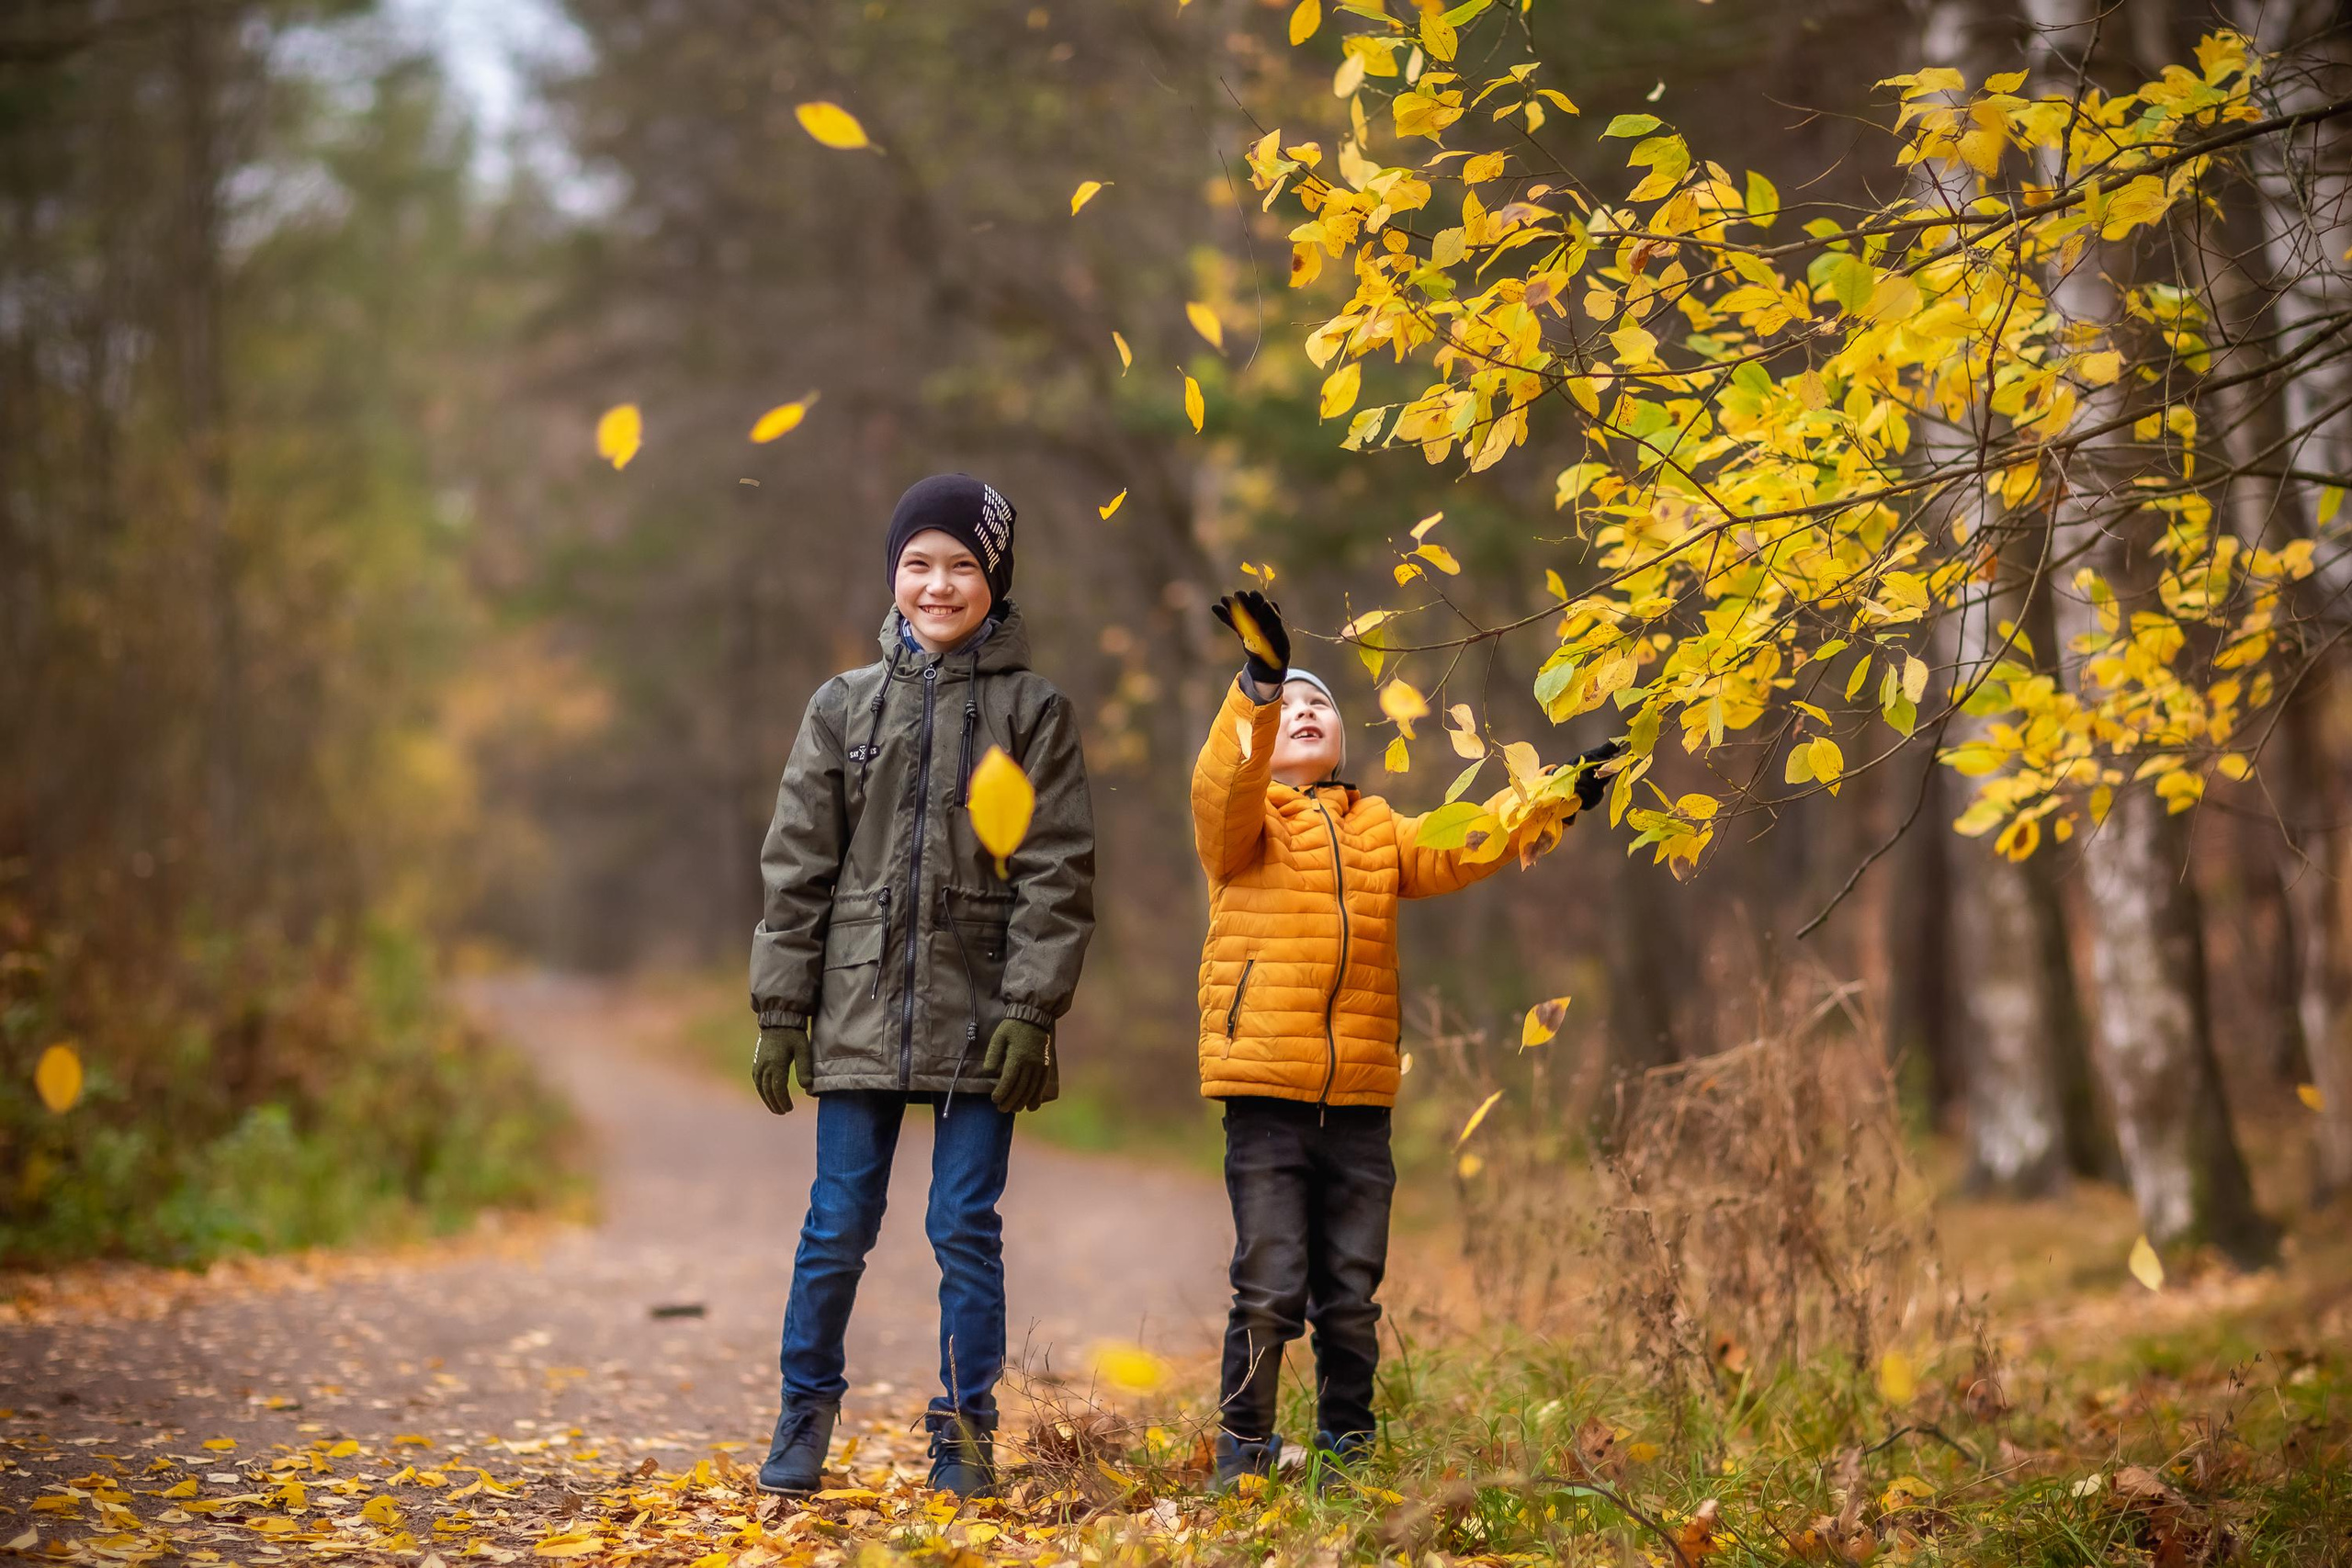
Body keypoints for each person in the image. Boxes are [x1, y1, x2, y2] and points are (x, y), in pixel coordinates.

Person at [1192, 588, 1618, 1490]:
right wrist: (1257, 688)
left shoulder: (1380, 829)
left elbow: (1466, 842)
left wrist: (1555, 797)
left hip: (1357, 1105)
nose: (1305, 711)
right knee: (1270, 1286)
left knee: (1348, 1294)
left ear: (1345, 739)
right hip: (1266, 1097)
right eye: (1291, 705)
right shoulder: (1244, 827)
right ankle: (1243, 1451)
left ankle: (1347, 1451)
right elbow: (1219, 782)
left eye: (1319, 705)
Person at [746, 473, 1095, 1498]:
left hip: (984, 1017)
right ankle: (803, 1413)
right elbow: (796, 862)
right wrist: (780, 1007)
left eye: (960, 566)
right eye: (917, 564)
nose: (937, 585)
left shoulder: (1033, 712)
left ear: (995, 577)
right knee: (837, 1223)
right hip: (856, 1004)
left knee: (962, 1229)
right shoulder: (843, 706)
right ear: (892, 575)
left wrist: (1033, 1009)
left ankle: (965, 1433)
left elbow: (1057, 871)